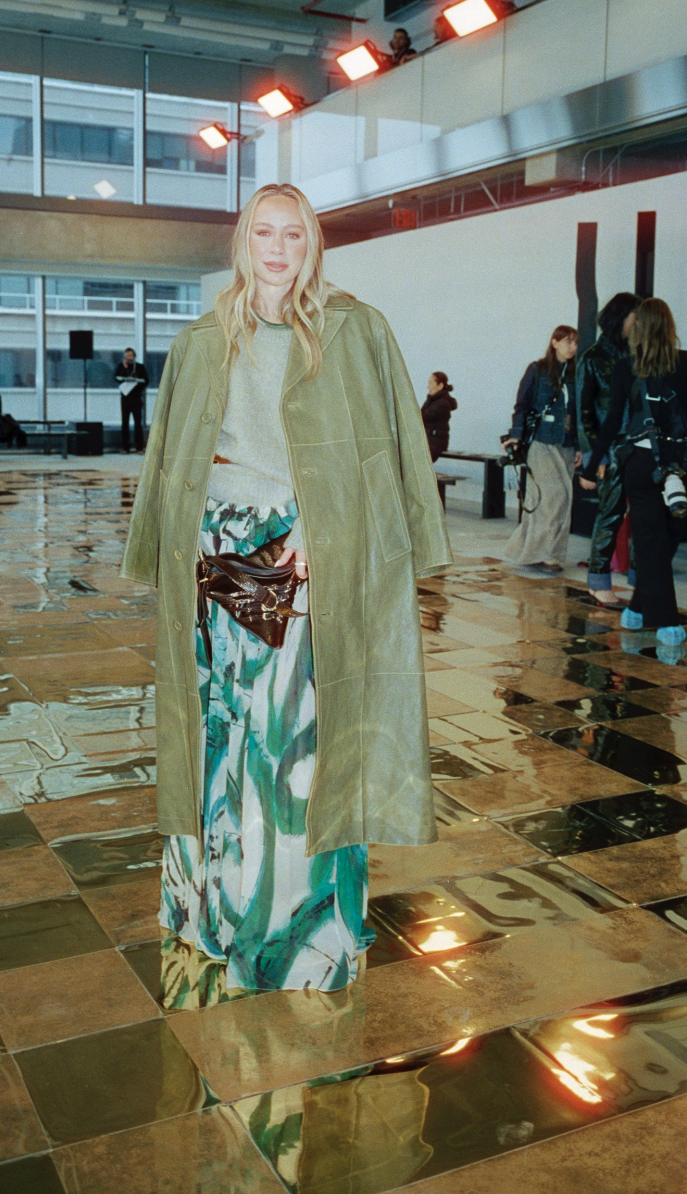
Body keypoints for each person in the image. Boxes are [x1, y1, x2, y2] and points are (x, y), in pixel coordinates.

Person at [121, 181, 451, 997]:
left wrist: (319, 535)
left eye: (293, 235)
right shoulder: (204, 338)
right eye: (263, 233)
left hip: (305, 561)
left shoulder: (353, 330)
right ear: (243, 242)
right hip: (219, 555)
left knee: (298, 741)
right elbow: (172, 459)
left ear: (311, 245)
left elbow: (386, 454)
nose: (277, 249)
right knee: (219, 730)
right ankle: (211, 911)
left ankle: (299, 929)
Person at [580, 298, 687, 646]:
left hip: (644, 463)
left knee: (655, 541)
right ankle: (665, 621)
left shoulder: (625, 367)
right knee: (662, 539)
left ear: (640, 328)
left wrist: (592, 464)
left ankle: (637, 607)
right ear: (670, 326)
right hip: (679, 464)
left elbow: (612, 423)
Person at [577, 292, 641, 605]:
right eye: (635, 317)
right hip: (610, 450)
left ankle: (639, 581)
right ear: (621, 317)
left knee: (644, 515)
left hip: (639, 446)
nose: (639, 323)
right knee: (610, 515)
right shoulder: (592, 358)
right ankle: (598, 580)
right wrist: (593, 457)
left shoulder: (638, 356)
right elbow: (583, 412)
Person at [504, 325, 580, 572]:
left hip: (566, 443)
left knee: (564, 498)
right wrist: (516, 436)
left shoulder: (576, 373)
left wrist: (579, 446)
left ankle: (549, 553)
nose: (572, 347)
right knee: (553, 496)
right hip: (542, 442)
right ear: (555, 342)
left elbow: (578, 413)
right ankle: (546, 553)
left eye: (575, 343)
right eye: (568, 341)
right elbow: (522, 405)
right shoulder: (537, 370)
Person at [115, 347, 149, 452]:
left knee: (137, 423)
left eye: (130, 355)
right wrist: (125, 368)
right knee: (125, 423)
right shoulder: (121, 366)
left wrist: (137, 388)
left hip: (136, 397)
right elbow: (116, 377)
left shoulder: (139, 367)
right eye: (127, 355)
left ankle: (139, 447)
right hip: (125, 398)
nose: (129, 357)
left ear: (134, 356)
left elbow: (146, 380)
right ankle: (126, 447)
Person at [421, 371, 457, 462]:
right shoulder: (432, 401)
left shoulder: (442, 403)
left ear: (440, 385)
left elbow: (422, 417)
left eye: (430, 383)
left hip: (435, 443)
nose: (428, 386)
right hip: (429, 441)